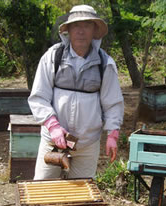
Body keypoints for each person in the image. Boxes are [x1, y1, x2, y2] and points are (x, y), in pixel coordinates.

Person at [28, 4, 124, 180]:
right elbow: (38, 97)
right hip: (53, 141)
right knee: (42, 189)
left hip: (87, 144)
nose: (81, 31)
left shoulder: (105, 63)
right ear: (68, 30)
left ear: (94, 30)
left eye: (86, 25)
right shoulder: (52, 57)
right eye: (76, 25)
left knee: (81, 197)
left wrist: (113, 134)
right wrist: (53, 126)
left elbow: (113, 102)